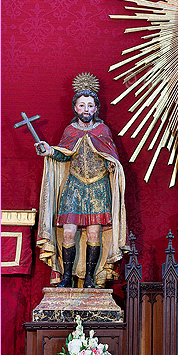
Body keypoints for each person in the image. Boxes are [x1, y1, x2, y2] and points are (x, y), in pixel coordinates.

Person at [35, 80, 129, 288]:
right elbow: (63, 154)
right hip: (74, 186)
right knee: (69, 231)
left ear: (96, 108)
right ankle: (67, 276)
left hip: (98, 187)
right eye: (81, 105)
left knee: (94, 233)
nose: (86, 109)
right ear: (75, 108)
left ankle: (89, 278)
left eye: (90, 105)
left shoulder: (103, 130)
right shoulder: (70, 130)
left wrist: (113, 166)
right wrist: (48, 150)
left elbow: (110, 155)